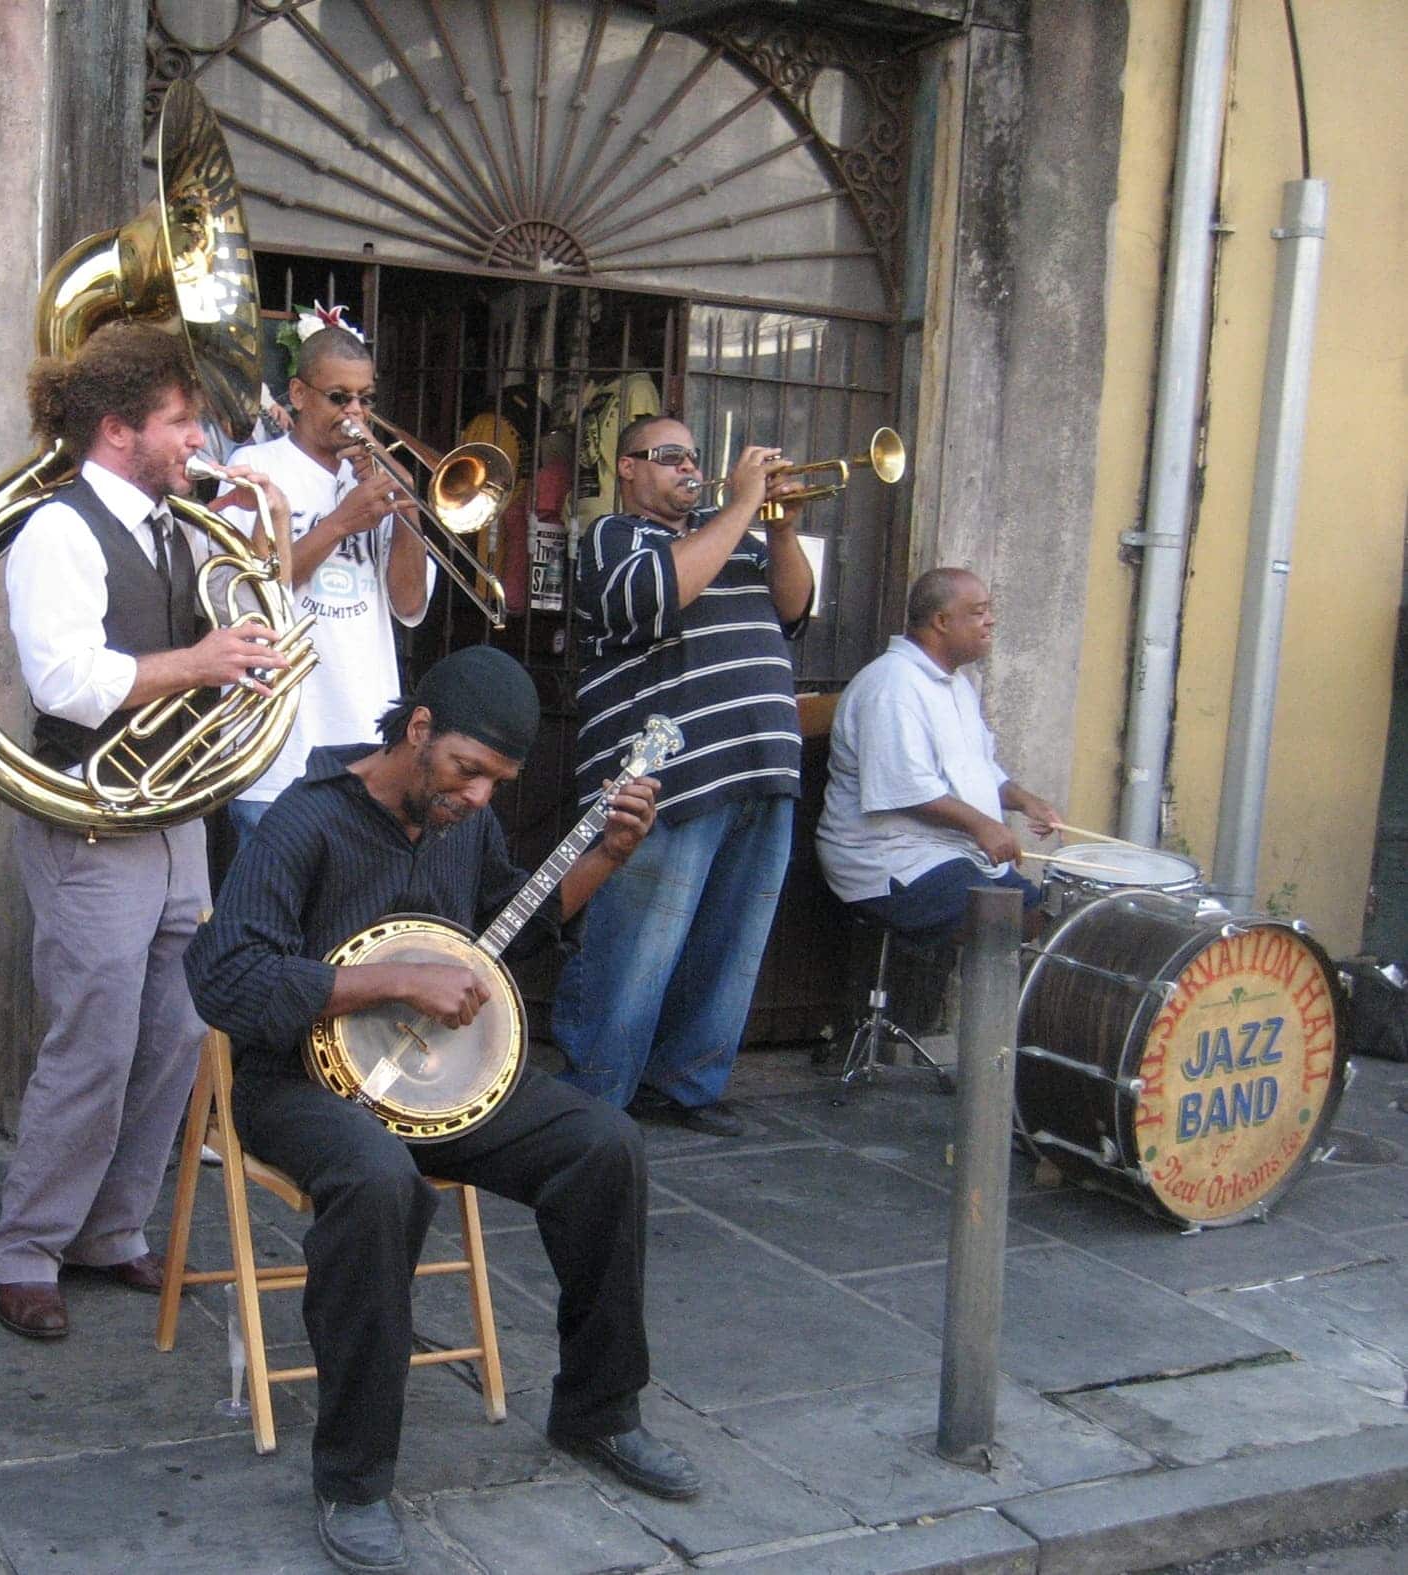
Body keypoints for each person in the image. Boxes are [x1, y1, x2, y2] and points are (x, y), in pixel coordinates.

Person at [186, 646, 698, 1575]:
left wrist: (608, 857)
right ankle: (353, 1478)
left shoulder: (464, 823)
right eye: (467, 770)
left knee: (604, 1144)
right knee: (380, 1181)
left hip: (437, 1084)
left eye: (497, 781)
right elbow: (225, 977)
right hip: (297, 1084)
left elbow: (511, 929)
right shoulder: (304, 822)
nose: (479, 796)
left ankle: (599, 1409)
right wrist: (390, 981)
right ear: (418, 730)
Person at [0, 321, 292, 1340]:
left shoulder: (179, 527)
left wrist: (259, 570)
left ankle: (111, 1229)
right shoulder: (58, 530)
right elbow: (66, 683)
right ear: (118, 429)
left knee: (175, 1036)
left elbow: (224, 645)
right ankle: (26, 1247)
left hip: (174, 816)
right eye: (182, 421)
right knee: (94, 1043)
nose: (199, 438)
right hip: (94, 817)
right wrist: (201, 663)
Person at [549, 414, 815, 1135]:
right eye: (669, 456)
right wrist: (742, 504)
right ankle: (593, 1095)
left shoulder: (738, 537)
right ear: (627, 467)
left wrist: (781, 530)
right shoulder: (614, 537)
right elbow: (654, 596)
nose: (688, 469)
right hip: (663, 779)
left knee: (731, 945)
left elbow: (793, 610)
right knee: (635, 945)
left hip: (760, 764)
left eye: (693, 457)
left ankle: (686, 1084)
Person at [219, 322, 431, 840]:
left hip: (365, 745)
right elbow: (248, 594)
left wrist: (409, 508)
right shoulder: (255, 466)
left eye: (365, 399)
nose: (354, 413)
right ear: (297, 393)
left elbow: (409, 605)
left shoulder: (373, 478)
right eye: (339, 397)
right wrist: (339, 522)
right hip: (277, 747)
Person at [816, 567, 1060, 941]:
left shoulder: (956, 684)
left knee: (1053, 923)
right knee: (1007, 926)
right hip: (891, 860)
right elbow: (906, 790)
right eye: (978, 611)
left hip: (951, 852)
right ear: (942, 621)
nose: (991, 620)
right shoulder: (892, 686)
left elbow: (980, 769)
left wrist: (1027, 802)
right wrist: (983, 826)